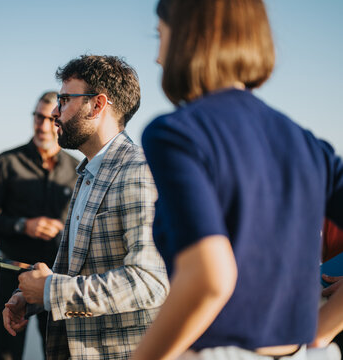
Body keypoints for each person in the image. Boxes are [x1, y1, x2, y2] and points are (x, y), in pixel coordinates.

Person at [133, 0, 343, 359]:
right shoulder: (307, 143)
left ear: (190, 38)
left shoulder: (176, 133)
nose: (157, 57)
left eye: (160, 36)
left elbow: (209, 276)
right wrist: (322, 331)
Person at [4, 55, 169, 360]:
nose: (55, 112)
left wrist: (51, 290)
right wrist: (33, 298)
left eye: (65, 100)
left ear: (97, 105)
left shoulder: (137, 169)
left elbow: (149, 281)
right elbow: (83, 271)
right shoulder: (88, 173)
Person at [0, 91, 78, 360]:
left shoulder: (78, 169)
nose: (43, 125)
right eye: (38, 117)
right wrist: (23, 225)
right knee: (6, 354)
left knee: (58, 355)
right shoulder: (6, 162)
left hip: (58, 279)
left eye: (50, 118)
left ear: (61, 120)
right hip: (12, 274)